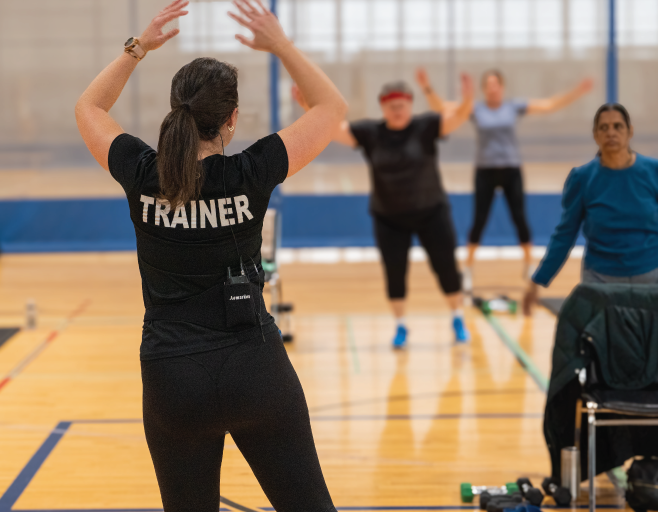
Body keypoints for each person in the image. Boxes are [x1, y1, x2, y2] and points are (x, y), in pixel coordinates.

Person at [75, 1, 345, 510]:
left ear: (174, 110)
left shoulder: (141, 173)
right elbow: (330, 109)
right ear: (232, 118)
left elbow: (89, 108)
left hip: (173, 380)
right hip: (256, 370)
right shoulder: (252, 171)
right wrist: (280, 44)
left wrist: (139, 48)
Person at [292, 71, 475, 347]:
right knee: (395, 272)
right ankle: (400, 325)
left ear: (411, 104)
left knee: (446, 267)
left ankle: (457, 316)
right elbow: (335, 130)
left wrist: (468, 98)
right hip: (389, 217)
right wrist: (309, 108)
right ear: (382, 107)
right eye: (391, 106)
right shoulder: (371, 132)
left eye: (401, 105)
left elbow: (458, 117)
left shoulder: (426, 126)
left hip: (431, 212)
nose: (397, 110)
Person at [524, 103, 658, 312]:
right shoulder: (582, 178)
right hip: (601, 281)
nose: (610, 132)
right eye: (603, 128)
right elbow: (565, 234)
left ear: (630, 131)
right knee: (604, 344)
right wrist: (539, 279)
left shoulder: (655, 171)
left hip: (657, 276)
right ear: (595, 135)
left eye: (617, 126)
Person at [416, 69, 593, 288]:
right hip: (485, 171)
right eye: (488, 85)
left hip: (511, 170)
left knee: (519, 218)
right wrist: (427, 87)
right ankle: (468, 269)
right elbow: (441, 107)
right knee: (479, 221)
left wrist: (577, 92)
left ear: (502, 87)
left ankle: (529, 267)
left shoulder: (513, 107)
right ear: (483, 89)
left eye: (495, 84)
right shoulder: (475, 108)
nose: (492, 88)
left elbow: (549, 105)